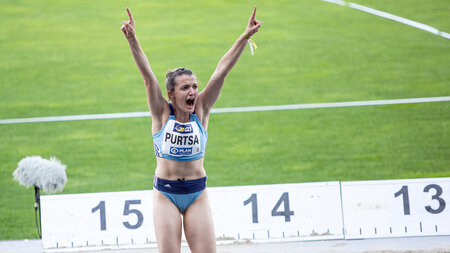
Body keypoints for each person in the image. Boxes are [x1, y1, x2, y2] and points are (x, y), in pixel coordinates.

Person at [121, 6, 262, 253]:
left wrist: (245, 36)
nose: (193, 92)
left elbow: (222, 70)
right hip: (166, 195)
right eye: (185, 87)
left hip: (197, 194)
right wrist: (132, 38)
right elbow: (146, 75)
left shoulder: (202, 110)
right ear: (171, 93)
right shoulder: (161, 113)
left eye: (195, 86)